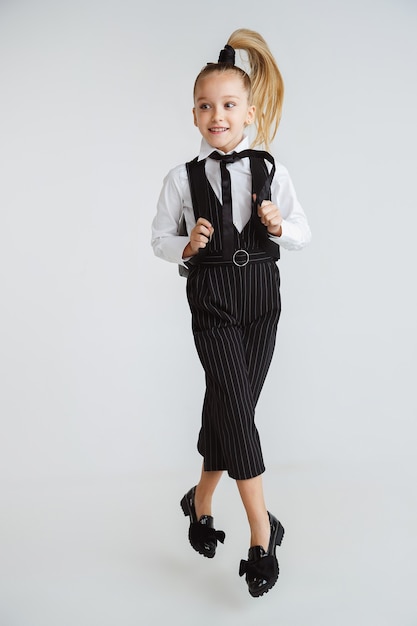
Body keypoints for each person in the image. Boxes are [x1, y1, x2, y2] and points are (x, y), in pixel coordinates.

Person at [151, 28, 311, 598]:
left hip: (262, 303)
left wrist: (277, 226)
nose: (217, 115)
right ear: (194, 114)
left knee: (229, 408)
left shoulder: (271, 170)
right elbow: (158, 239)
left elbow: (302, 232)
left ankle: (198, 503)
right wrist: (187, 245)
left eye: (228, 105)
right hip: (213, 303)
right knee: (239, 412)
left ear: (247, 112)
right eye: (205, 106)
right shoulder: (182, 178)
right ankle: (263, 534)